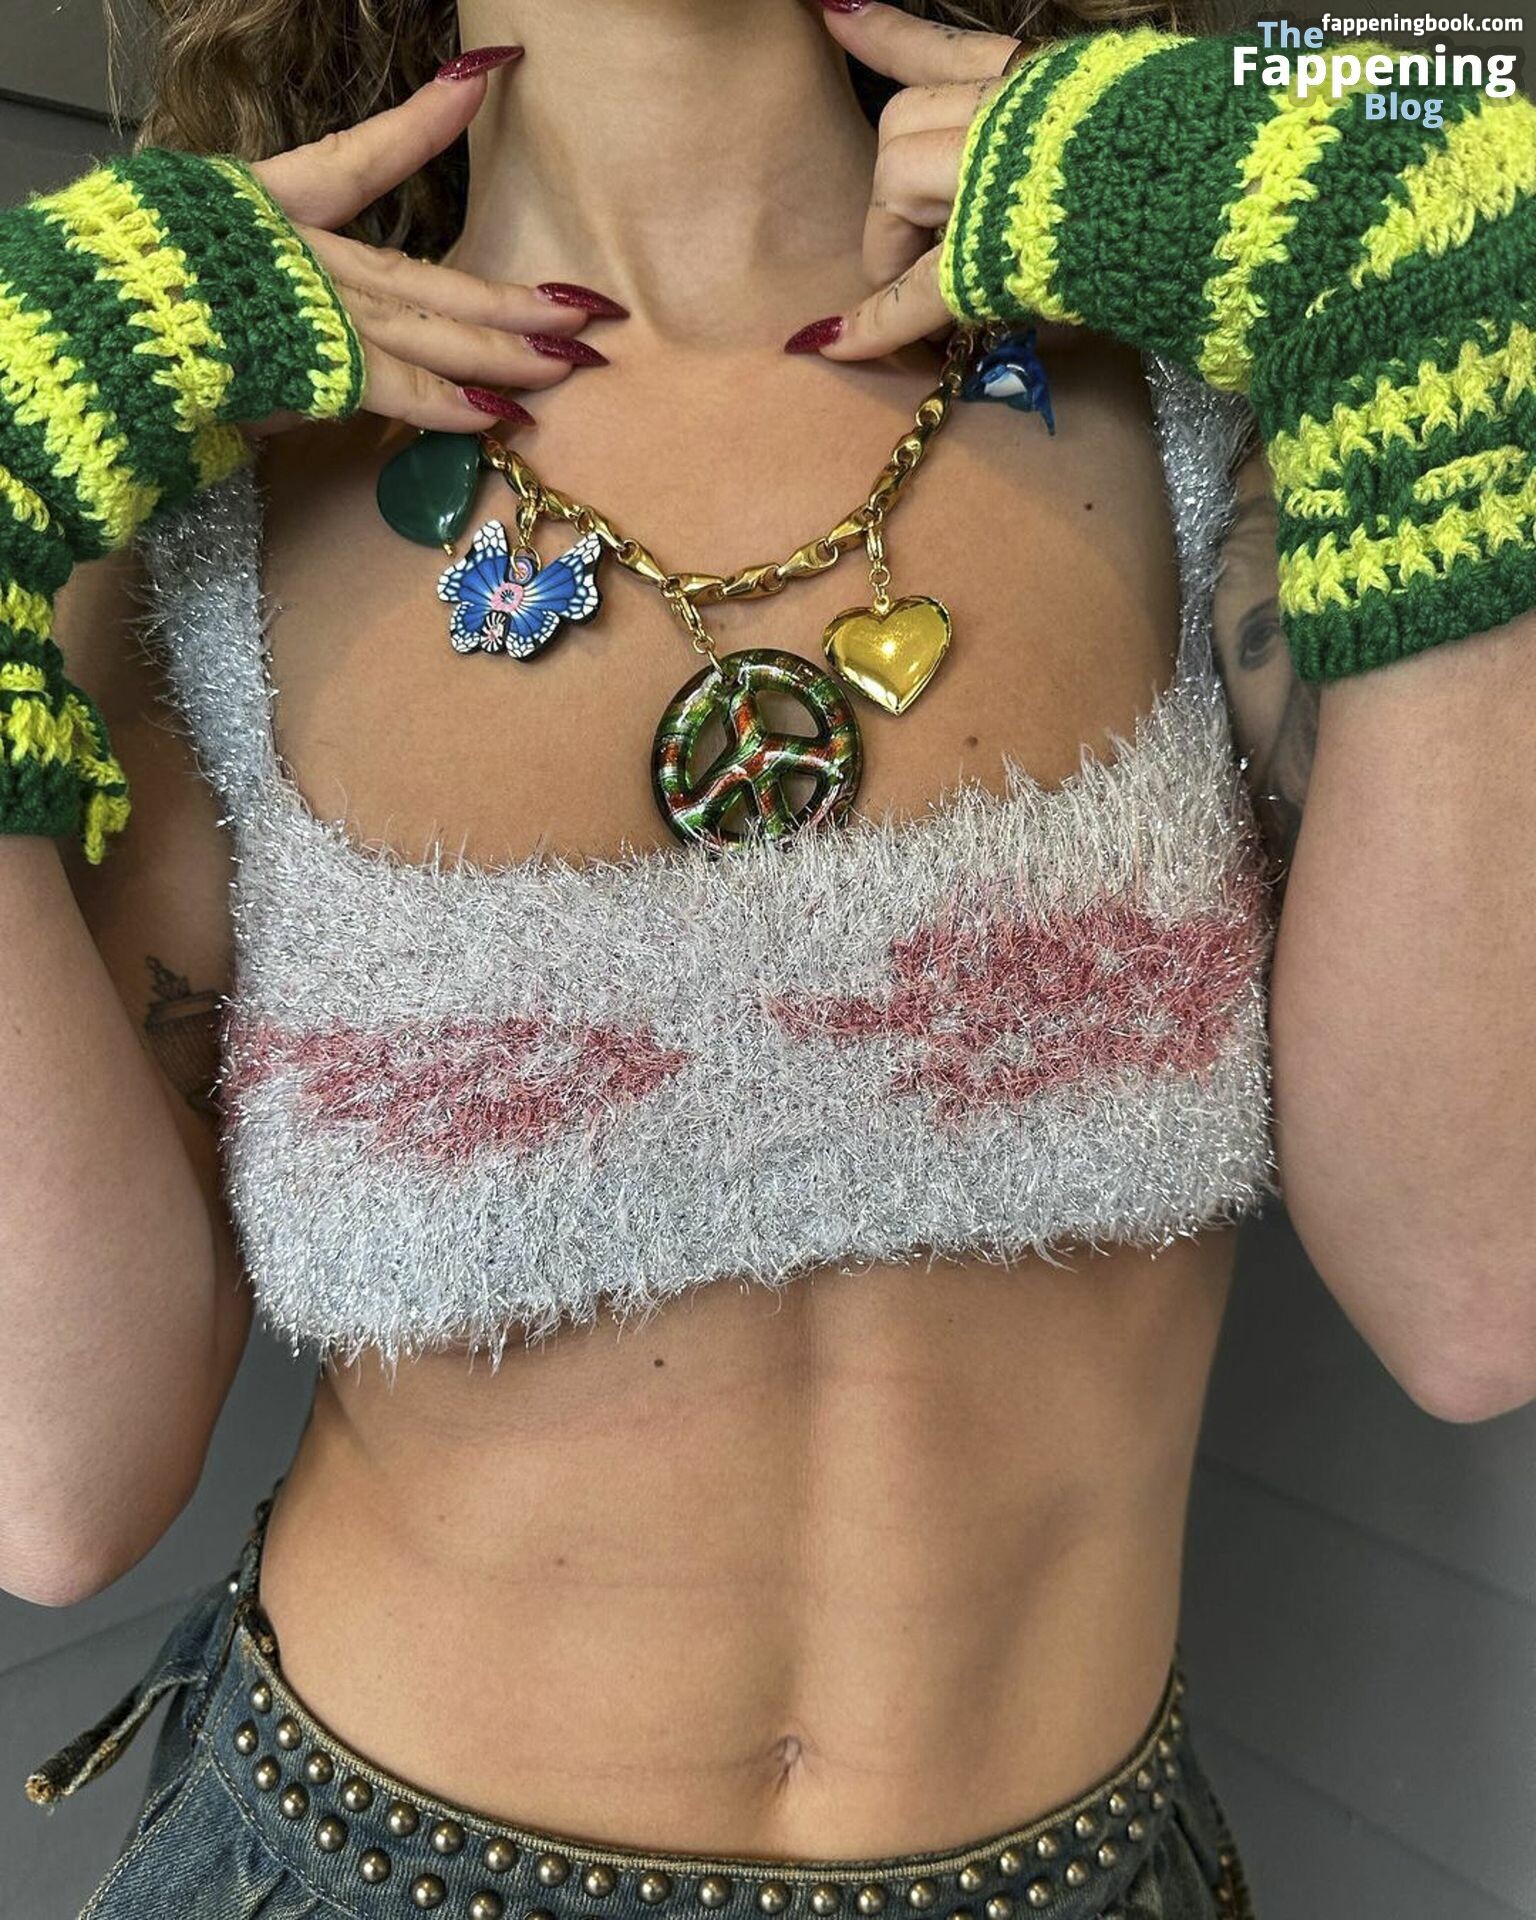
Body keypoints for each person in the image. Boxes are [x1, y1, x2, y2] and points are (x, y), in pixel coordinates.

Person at [5, 3, 1533, 1917]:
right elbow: (53, 1482)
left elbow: (1477, 1295)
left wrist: (1432, 290)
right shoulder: (191, 499)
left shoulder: (1226, 376)